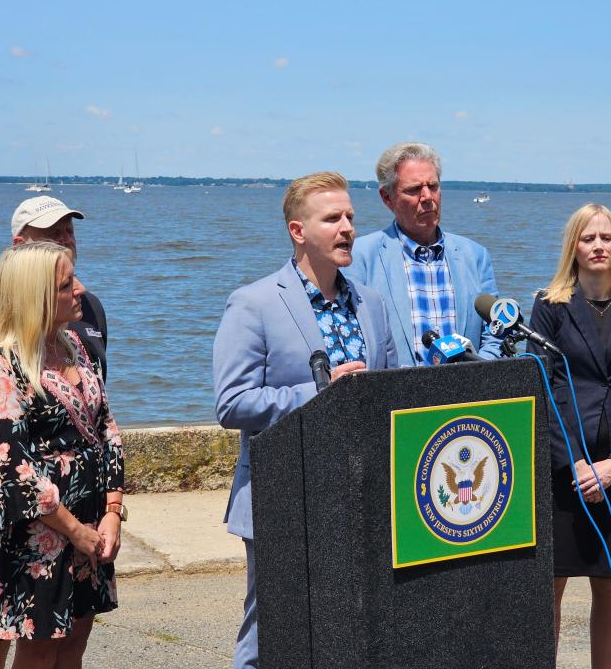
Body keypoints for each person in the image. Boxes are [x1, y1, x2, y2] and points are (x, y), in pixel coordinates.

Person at [213, 172, 398, 669]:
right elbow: (232, 403)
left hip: (360, 495)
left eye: (351, 218)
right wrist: (320, 393)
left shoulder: (373, 304)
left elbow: (394, 390)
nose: (347, 229)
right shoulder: (254, 303)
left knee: (352, 627)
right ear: (298, 231)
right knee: (272, 630)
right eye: (332, 219)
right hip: (284, 493)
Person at [0, 196, 108, 669]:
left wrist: (111, 507)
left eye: (68, 231)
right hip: (15, 513)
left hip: (81, 517)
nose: (66, 241)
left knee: (67, 638)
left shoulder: (83, 317)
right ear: (21, 247)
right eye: (52, 235)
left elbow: (99, 418)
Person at [0, 241, 123, 667]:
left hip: (91, 528)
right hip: (39, 539)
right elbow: (12, 466)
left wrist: (112, 511)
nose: (81, 290)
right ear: (35, 296)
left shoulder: (74, 346)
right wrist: (74, 530)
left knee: (74, 645)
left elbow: (106, 430)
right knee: (40, 654)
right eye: (66, 284)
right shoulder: (0, 367)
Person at [527, 203, 611, 669]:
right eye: (589, 239)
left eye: (606, 237)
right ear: (574, 247)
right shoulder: (549, 306)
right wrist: (577, 463)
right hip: (563, 463)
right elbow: (545, 388)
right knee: (554, 581)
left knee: (609, 581)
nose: (599, 246)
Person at [348, 141, 504, 366]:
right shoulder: (360, 258)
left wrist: (478, 370)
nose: (427, 197)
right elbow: (354, 338)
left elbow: (495, 331)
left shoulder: (475, 256)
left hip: (466, 394)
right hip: (395, 396)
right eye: (413, 190)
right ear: (387, 198)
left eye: (433, 186)